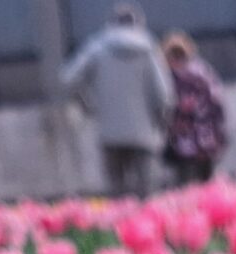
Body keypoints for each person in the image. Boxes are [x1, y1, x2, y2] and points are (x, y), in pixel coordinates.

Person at [63, 5, 173, 198]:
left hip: (109, 133)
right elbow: (163, 94)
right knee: (146, 193)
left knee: (117, 193)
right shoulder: (148, 48)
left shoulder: (96, 47)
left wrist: (88, 104)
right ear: (138, 24)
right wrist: (161, 121)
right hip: (144, 134)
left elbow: (69, 79)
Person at [160, 32, 226, 186]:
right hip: (207, 140)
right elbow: (218, 105)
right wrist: (220, 133)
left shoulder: (168, 78)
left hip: (184, 141)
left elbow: (165, 107)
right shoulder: (204, 73)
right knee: (206, 183)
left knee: (186, 184)